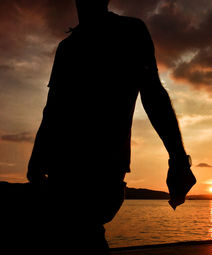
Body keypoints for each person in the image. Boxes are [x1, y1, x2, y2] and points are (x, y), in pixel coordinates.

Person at [26, 0, 196, 253]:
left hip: (100, 170)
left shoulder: (129, 31)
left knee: (82, 235)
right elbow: (53, 110)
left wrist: (179, 159)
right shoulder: (67, 47)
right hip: (63, 169)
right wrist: (36, 165)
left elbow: (153, 95)